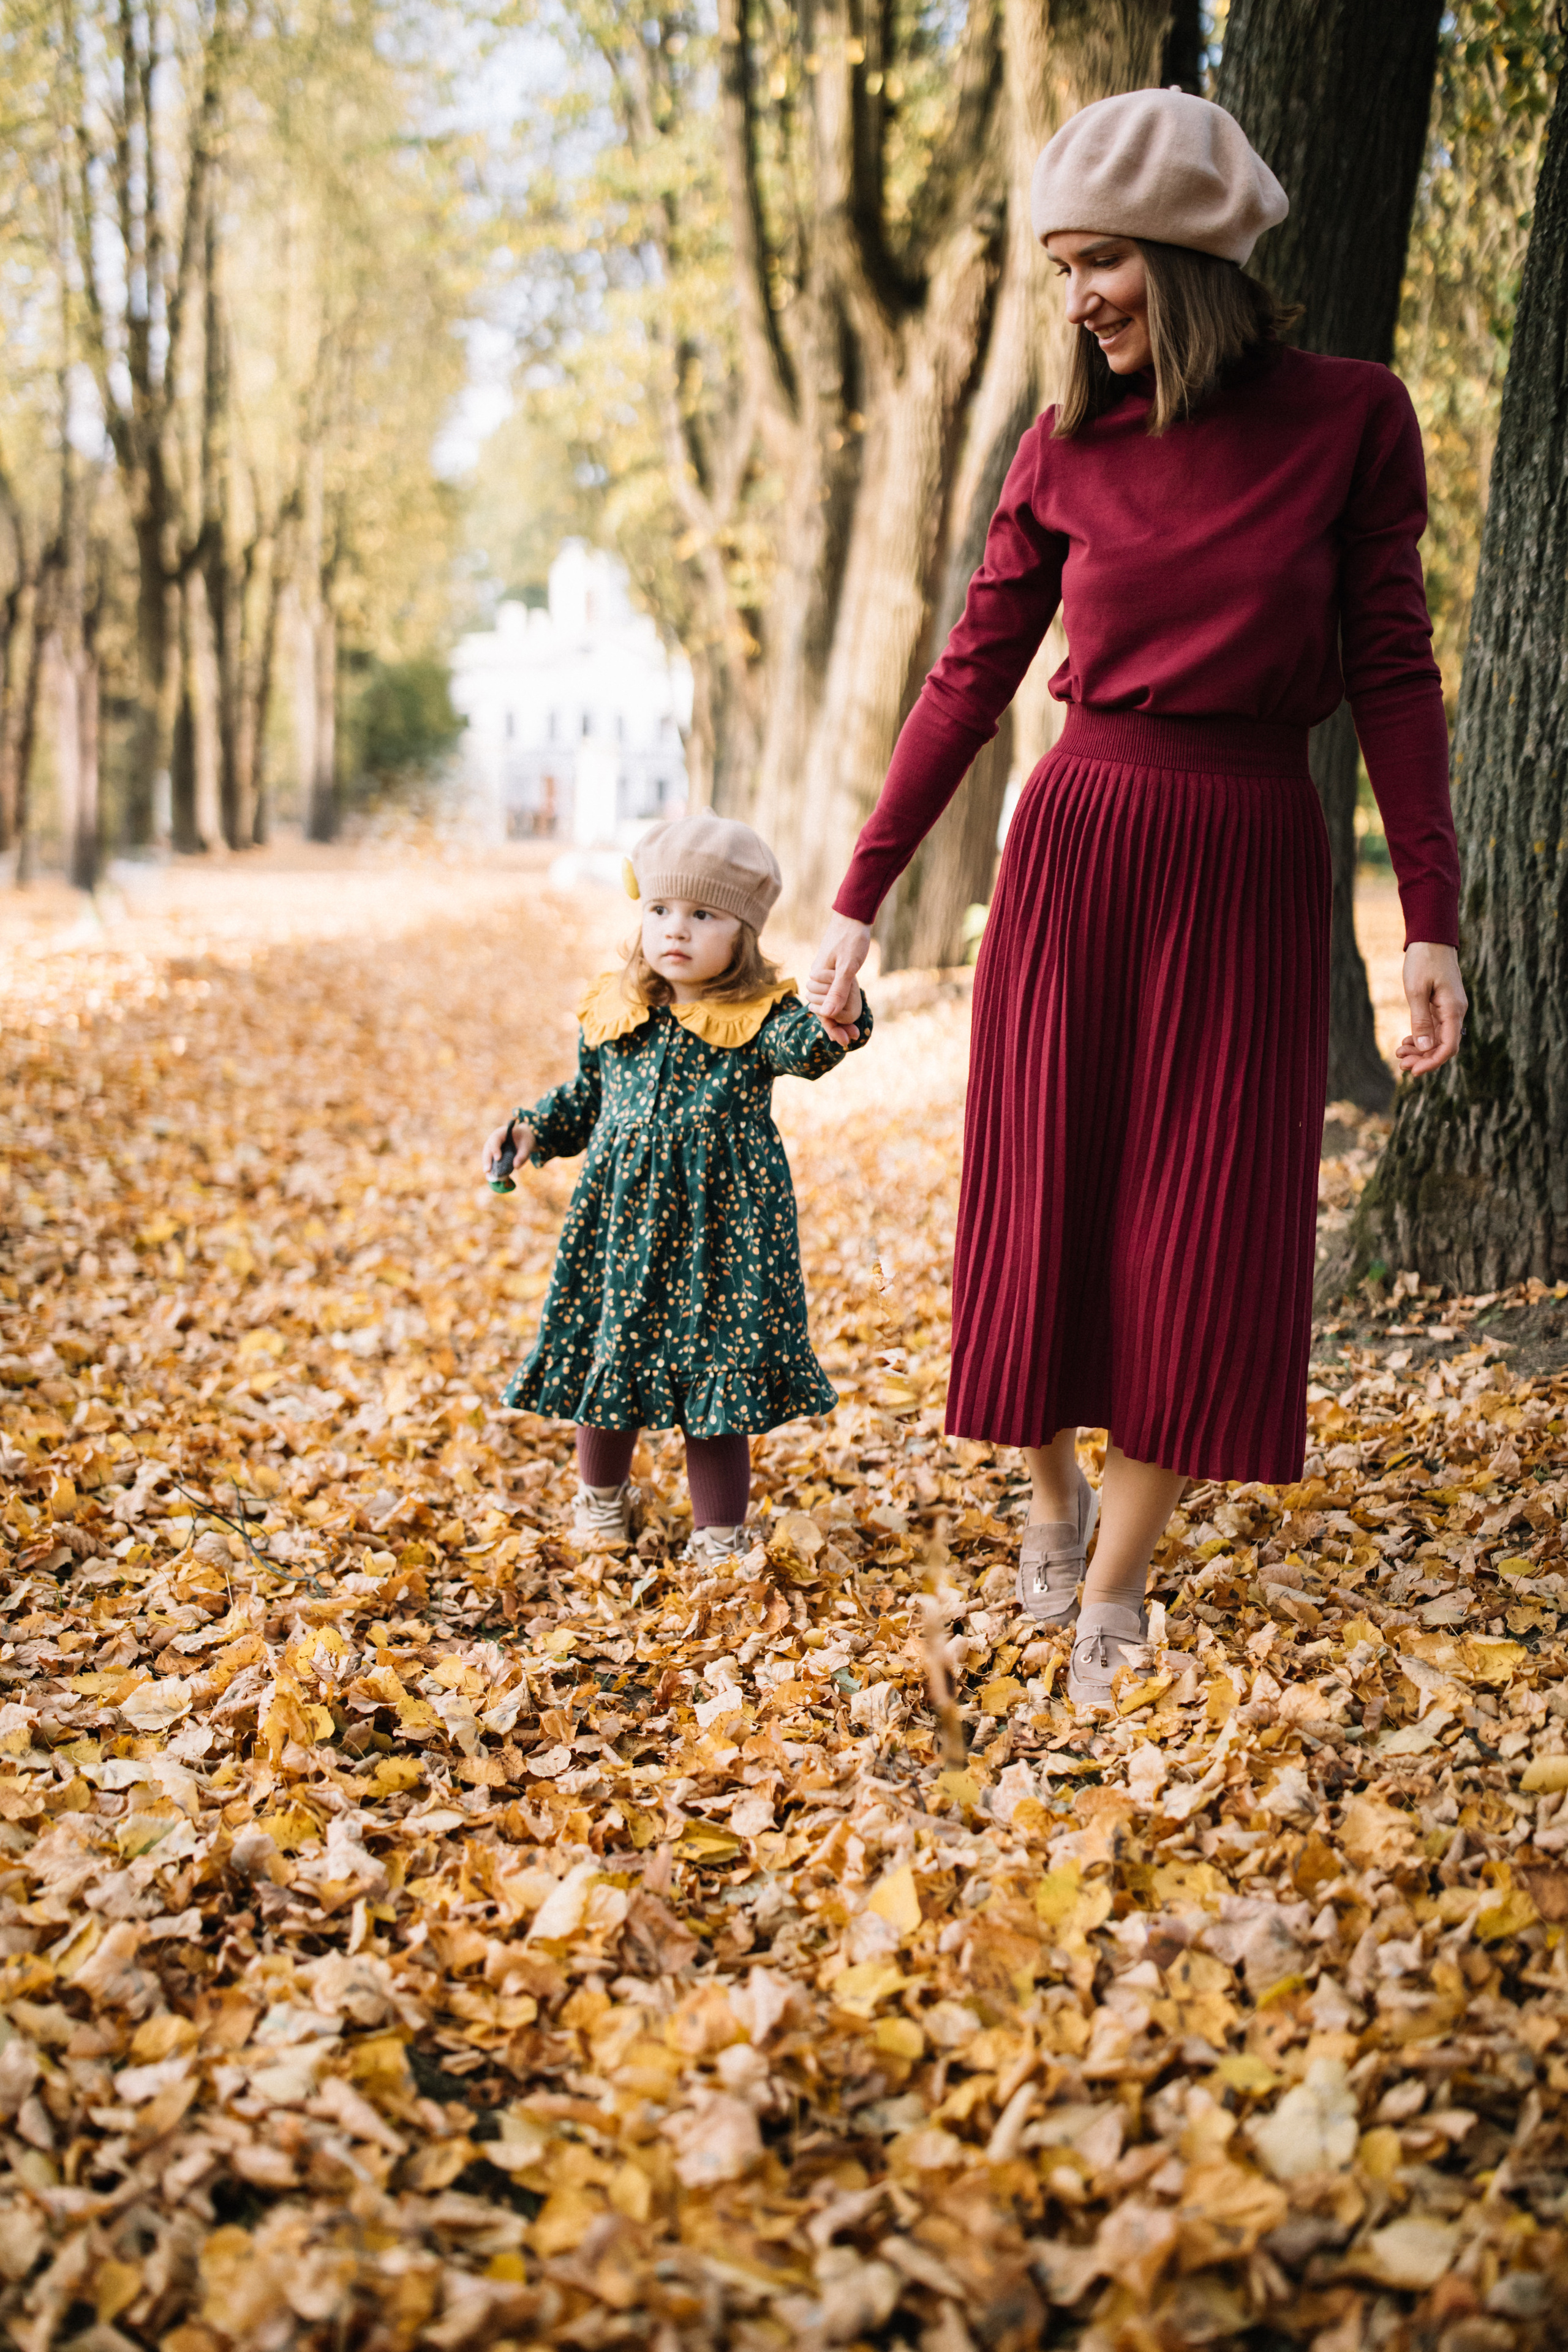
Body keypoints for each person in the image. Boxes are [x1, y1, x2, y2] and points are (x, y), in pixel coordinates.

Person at [804, 87, 1466, 1709]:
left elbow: (1392, 669)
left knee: (1202, 1228)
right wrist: (856, 896)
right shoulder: (1064, 446)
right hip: (1078, 844)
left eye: (1102, 262)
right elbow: (972, 679)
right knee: (1039, 1201)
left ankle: (1115, 1590)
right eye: (1060, 269)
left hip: (1248, 855)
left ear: (1185, 258)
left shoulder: (1354, 419)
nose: (1080, 297)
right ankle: (1047, 1496)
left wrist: (1430, 919)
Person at [483, 811, 872, 1568]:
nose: (676, 930)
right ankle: (601, 1504)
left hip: (722, 1235)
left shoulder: (758, 1018)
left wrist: (841, 1014)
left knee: (715, 1380)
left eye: (703, 915)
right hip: (619, 1229)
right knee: (612, 1360)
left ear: (743, 934)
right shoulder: (616, 1009)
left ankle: (719, 1533)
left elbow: (813, 1047)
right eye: (660, 910)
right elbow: (584, 1102)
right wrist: (530, 1131)